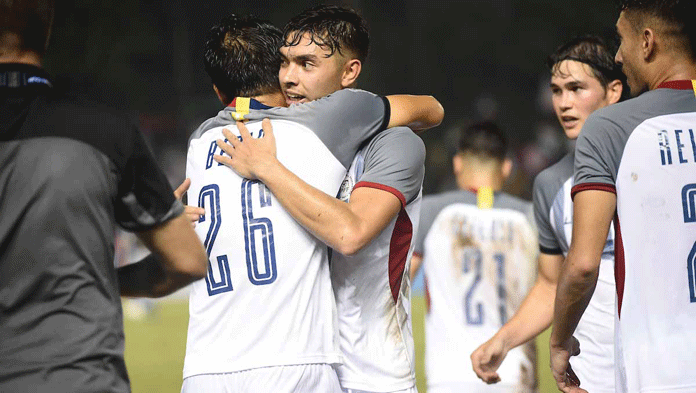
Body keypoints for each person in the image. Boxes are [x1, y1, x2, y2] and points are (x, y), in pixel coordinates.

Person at [181, 14, 442, 393]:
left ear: (350, 74)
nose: (288, 77)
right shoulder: (280, 136)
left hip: (373, 372)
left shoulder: (393, 143)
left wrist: (267, 167)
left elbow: (351, 233)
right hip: (311, 361)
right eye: (283, 63)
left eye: (306, 64)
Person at [0, 1, 209, 392]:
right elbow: (187, 261)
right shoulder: (103, 130)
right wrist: (95, 281)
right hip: (80, 378)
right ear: (46, 30)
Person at [550, 1, 696, 392]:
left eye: (622, 40)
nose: (618, 55)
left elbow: (582, 265)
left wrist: (559, 339)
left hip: (659, 370)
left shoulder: (612, 127)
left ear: (647, 42)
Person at [471, 36, 625, 393]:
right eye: (557, 91)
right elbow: (553, 283)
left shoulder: (648, 159)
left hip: (660, 369)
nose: (564, 103)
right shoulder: (550, 183)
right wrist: (504, 340)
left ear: (613, 91)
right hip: (588, 377)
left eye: (576, 88)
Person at [410, 122, 538, 393]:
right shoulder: (531, 218)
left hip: (448, 374)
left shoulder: (432, 212)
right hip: (514, 371)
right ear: (506, 167)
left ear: (458, 163)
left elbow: (396, 284)